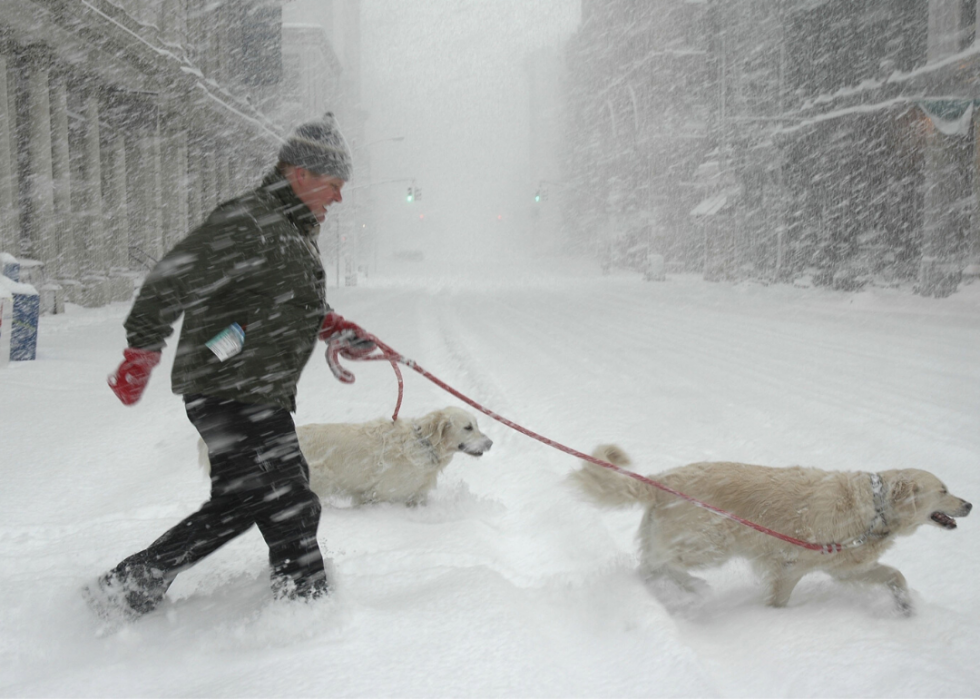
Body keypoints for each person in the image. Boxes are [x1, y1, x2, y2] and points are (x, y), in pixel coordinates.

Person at [85, 112, 375, 620]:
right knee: (284, 499)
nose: (339, 198)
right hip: (231, 386)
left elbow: (283, 301)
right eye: (334, 185)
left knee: (256, 500)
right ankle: (302, 608)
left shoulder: (288, 228)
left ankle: (131, 587)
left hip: (249, 386)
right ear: (299, 174)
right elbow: (169, 278)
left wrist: (336, 330)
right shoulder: (248, 220)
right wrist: (141, 351)